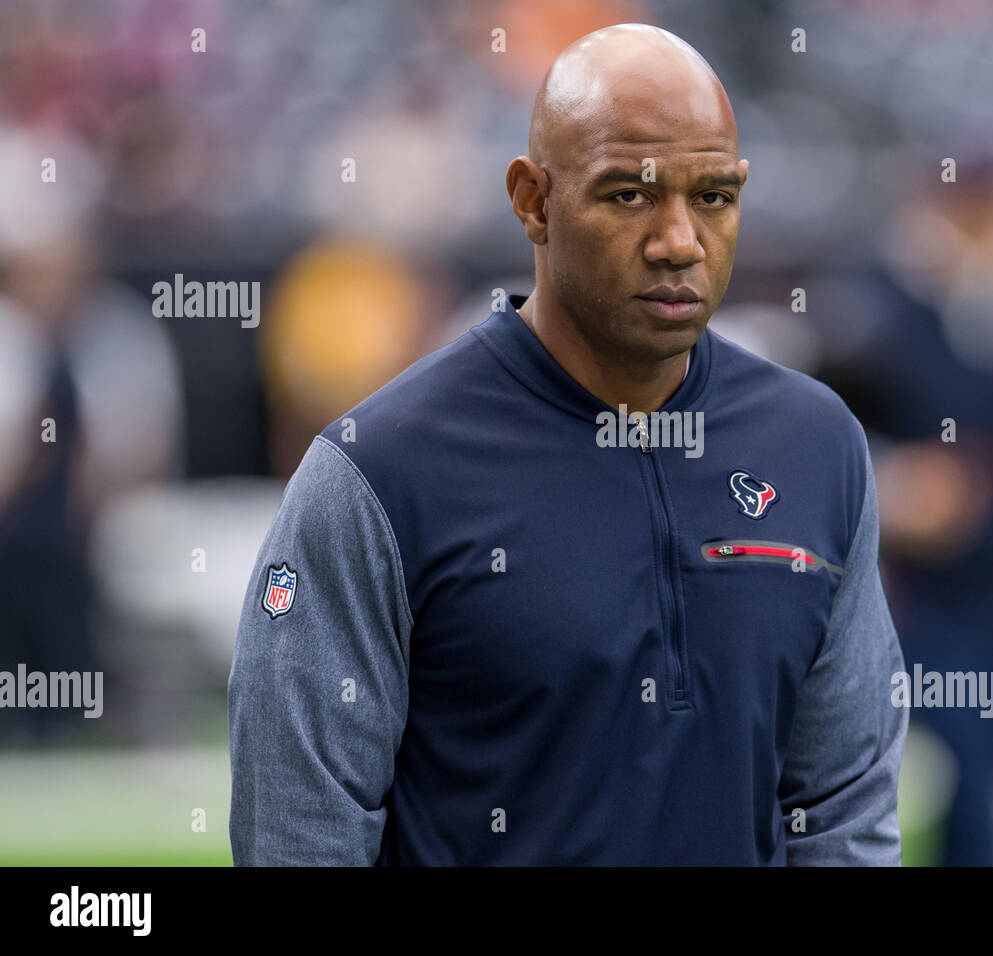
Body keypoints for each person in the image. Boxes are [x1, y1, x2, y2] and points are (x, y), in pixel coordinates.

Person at [228, 23, 907, 865]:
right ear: (532, 200)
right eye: (628, 194)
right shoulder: (380, 471)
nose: (679, 241)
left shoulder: (817, 447)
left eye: (714, 197)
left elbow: (842, 807)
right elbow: (300, 836)